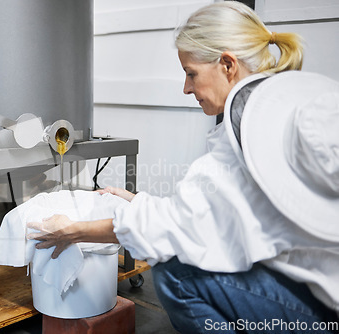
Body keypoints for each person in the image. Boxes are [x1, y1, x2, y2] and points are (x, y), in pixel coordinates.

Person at [27, 2, 339, 333]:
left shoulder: (259, 125)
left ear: (227, 64)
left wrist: (72, 230)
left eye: (191, 73)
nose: (186, 88)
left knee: (176, 271)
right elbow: (210, 214)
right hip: (319, 285)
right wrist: (138, 203)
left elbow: (179, 227)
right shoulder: (279, 104)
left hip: (326, 308)